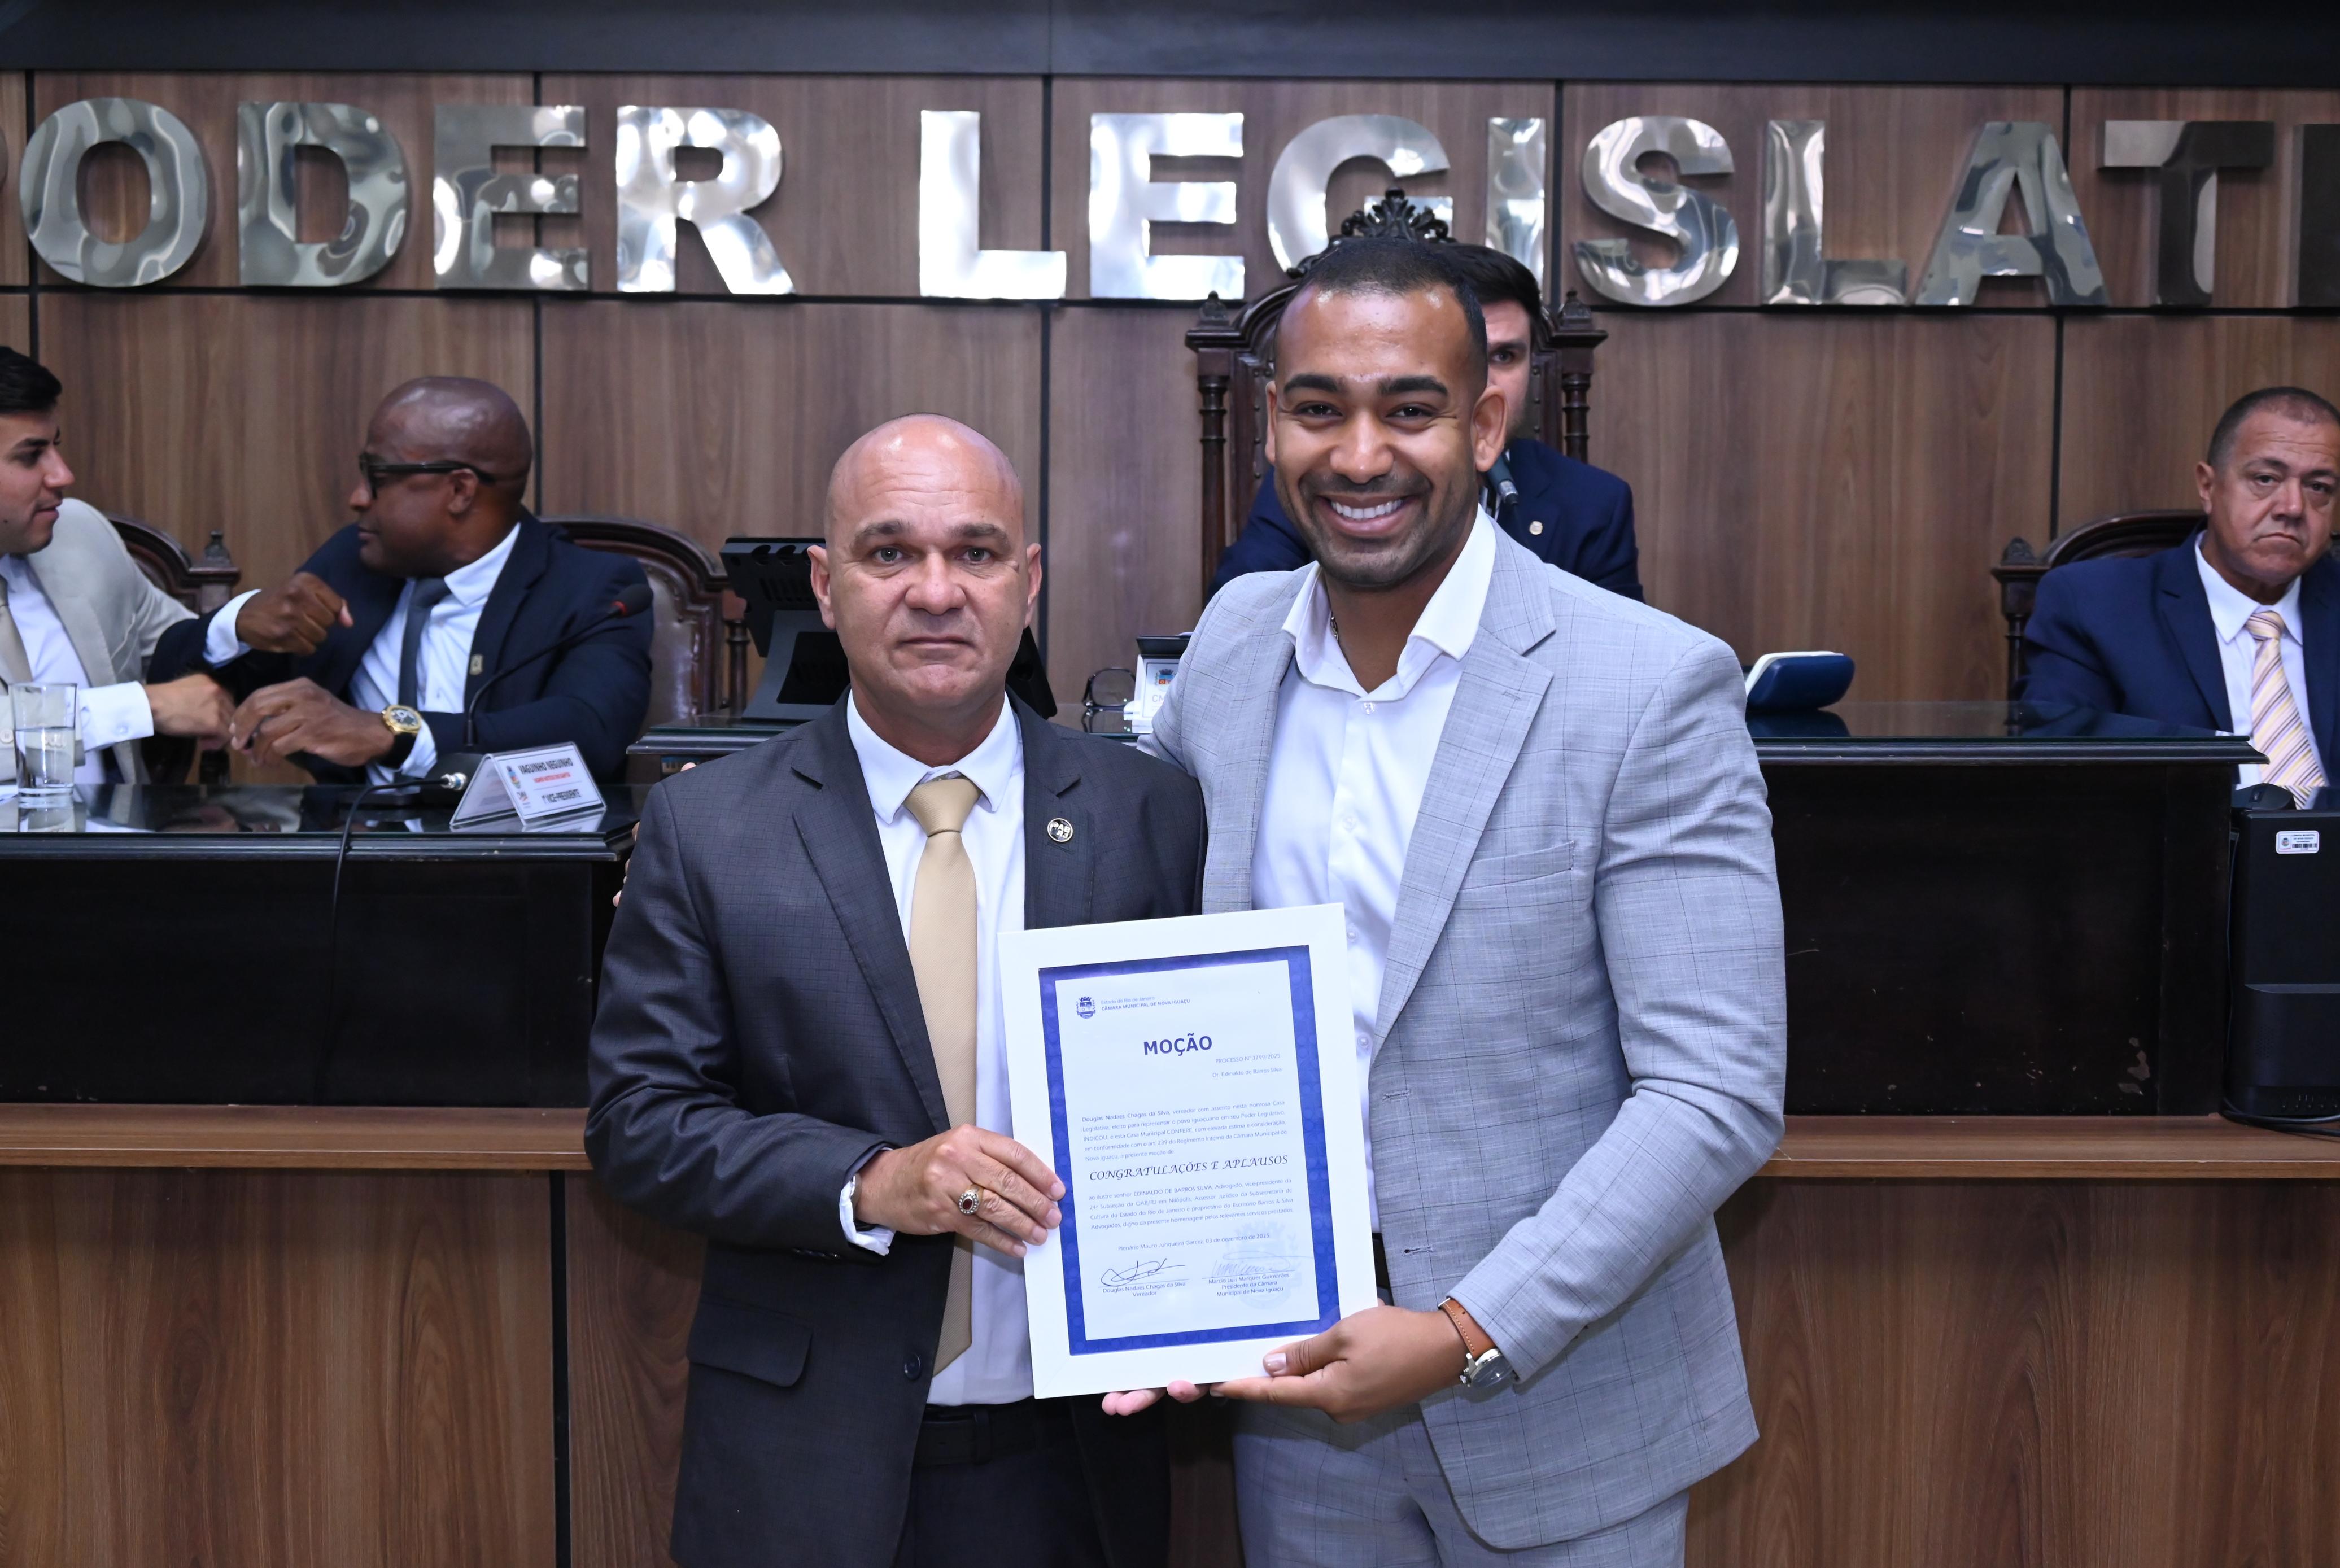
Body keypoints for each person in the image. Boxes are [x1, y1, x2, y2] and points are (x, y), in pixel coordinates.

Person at [1127, 237, 1785, 1567]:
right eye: (1319, 407)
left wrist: (1464, 1328)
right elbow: (1155, 989)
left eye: (1408, 409)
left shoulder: (1647, 685)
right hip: (1300, 1403)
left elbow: (1712, 1091)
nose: (1358, 454)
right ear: (1273, 422)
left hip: (1564, 1408)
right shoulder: (1230, 648)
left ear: (1487, 421)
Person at [586, 415, 1205, 1568]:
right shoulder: (709, 826)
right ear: (824, 584)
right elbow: (639, 1127)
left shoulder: (1149, 812)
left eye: (975, 553)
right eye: (889, 553)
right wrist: (872, 1180)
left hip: (1072, 1457)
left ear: (1029, 583)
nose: (935, 591)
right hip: (802, 1460)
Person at [147, 377, 651, 782]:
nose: (357, 497)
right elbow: (171, 679)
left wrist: (392, 733)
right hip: (342, 864)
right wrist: (234, 626)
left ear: (459, 490)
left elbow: (589, 732)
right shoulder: (355, 561)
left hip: (512, 870)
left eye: (378, 476)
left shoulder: (593, 589)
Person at [1207, 243, 1642, 602]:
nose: (1362, 464)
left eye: (1504, 357)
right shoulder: (1320, 477)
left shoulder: (1594, 502)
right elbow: (1240, 613)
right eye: (1320, 409)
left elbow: (1618, 667)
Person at [2024, 386, 2340, 802]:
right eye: (2265, 479)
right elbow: (2057, 758)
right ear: (2208, 487)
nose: (2293, 507)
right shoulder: (2095, 604)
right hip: (2175, 857)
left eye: (2318, 487)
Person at [0, 346, 231, 782]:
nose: (62, 474)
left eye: (56, 447)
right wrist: (138, 707)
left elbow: (177, 649)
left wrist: (244, 628)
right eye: (32, 456)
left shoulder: (79, 532)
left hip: (114, 843)